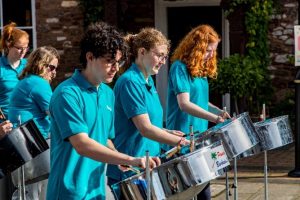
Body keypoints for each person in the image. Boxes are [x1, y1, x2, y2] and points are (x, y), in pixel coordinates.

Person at [46, 22, 157, 200]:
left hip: (97, 192)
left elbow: (104, 139)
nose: (116, 68)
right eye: (109, 61)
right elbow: (82, 144)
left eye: (118, 62)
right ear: (90, 57)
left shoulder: (108, 93)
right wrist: (129, 160)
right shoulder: (66, 94)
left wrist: (120, 158)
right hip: (68, 194)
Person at [107, 28, 189, 198]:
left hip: (149, 165)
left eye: (165, 57)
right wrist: (180, 141)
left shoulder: (148, 80)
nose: (163, 61)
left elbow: (147, 121)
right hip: (130, 169)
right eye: (159, 55)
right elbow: (144, 128)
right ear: (142, 52)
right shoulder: (130, 82)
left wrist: (167, 132)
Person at [166, 24, 230, 200]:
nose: (211, 55)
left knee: (204, 191)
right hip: (182, 138)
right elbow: (185, 104)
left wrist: (218, 111)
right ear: (196, 48)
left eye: (213, 51)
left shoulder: (200, 70)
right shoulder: (179, 68)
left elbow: (200, 101)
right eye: (208, 50)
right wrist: (215, 118)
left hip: (200, 137)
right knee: (186, 194)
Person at [8, 46, 59, 139]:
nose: (54, 72)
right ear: (41, 65)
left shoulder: (27, 80)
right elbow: (57, 116)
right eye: (52, 68)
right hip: (34, 140)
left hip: (22, 137)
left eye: (56, 69)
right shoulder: (38, 83)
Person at [0, 22, 29, 121]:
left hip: (27, 121)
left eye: (26, 48)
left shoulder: (29, 66)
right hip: (5, 124)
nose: (23, 51)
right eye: (19, 48)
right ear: (9, 45)